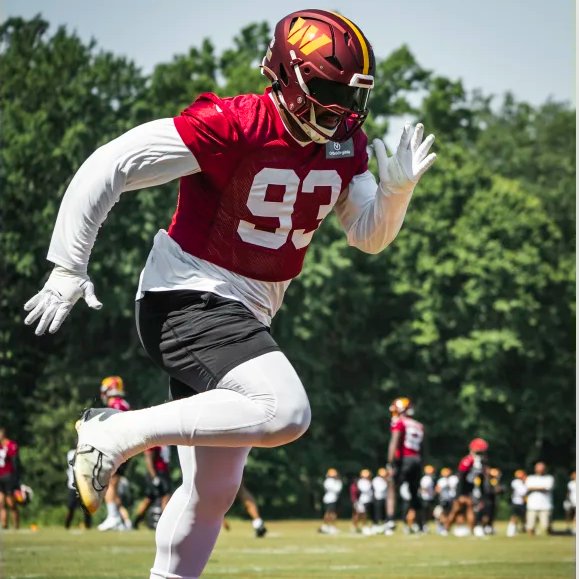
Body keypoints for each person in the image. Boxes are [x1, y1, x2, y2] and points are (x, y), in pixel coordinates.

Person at [22, 9, 436, 578]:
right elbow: (110, 163)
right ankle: (112, 432)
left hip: (242, 313)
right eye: (325, 90)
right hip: (187, 294)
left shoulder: (346, 142)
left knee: (213, 491)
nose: (339, 108)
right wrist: (69, 264)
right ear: (285, 77)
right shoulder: (235, 123)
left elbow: (368, 237)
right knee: (285, 410)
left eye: (349, 95)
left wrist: (395, 193)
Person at [97, 376, 133, 531]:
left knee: (109, 483)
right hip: (125, 448)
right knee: (113, 485)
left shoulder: (116, 404)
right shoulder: (123, 404)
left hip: (118, 448)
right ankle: (119, 520)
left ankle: (113, 517)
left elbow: (113, 429)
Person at [385, 397, 425, 535]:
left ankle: (390, 521)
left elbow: (394, 441)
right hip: (417, 460)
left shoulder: (399, 423)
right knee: (414, 493)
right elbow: (422, 448)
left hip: (404, 459)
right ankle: (421, 525)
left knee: (391, 488)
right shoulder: (418, 425)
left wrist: (390, 462)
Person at [444, 437, 488, 536]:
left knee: (468, 508)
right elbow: (461, 478)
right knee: (457, 510)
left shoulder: (479, 462)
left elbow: (480, 480)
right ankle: (446, 529)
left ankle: (471, 530)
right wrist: (459, 494)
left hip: (469, 489)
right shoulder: (471, 461)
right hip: (462, 489)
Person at [132, 445, 172, 530]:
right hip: (157, 473)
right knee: (166, 497)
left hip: (163, 473)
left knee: (149, 499)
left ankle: (135, 522)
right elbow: (148, 458)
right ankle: (167, 523)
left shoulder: (166, 440)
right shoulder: (155, 440)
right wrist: (154, 477)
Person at [65, 447, 92, 529]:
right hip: (73, 485)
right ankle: (67, 526)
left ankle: (88, 526)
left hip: (84, 485)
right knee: (71, 508)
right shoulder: (71, 453)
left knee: (86, 508)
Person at [525, 461, 554, 536]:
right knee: (530, 526)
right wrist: (541, 488)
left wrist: (534, 488)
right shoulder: (530, 478)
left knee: (546, 526)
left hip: (545, 505)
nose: (540, 470)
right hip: (532, 505)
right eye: (539, 468)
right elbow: (528, 487)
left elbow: (547, 488)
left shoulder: (549, 478)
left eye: (542, 468)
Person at [0, 427, 20, 530]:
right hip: (0, 476)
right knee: (1, 502)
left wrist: (16, 478)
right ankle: (4, 524)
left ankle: (16, 524)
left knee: (10, 502)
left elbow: (15, 461)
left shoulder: (11, 445)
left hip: (8, 476)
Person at [319, 467, 342, 535]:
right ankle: (329, 526)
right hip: (329, 499)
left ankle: (327, 526)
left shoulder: (335, 481)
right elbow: (336, 489)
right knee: (330, 513)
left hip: (333, 499)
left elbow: (338, 489)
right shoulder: (329, 481)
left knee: (331, 513)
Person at [507, 469, 527, 537]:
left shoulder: (524, 482)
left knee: (523, 517)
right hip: (516, 502)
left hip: (523, 502)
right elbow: (522, 492)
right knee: (514, 517)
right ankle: (511, 531)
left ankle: (522, 529)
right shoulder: (516, 482)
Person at [419, 464, 436, 531]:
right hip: (425, 498)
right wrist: (431, 493)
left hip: (428, 498)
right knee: (425, 513)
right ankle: (423, 526)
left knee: (427, 513)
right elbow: (423, 488)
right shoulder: (426, 479)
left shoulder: (428, 478)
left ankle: (424, 525)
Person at [371, 467, 388, 533]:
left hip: (383, 498)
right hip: (378, 498)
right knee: (377, 514)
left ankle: (383, 527)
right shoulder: (376, 480)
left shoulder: (383, 480)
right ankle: (376, 526)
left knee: (383, 514)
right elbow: (380, 489)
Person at [563, 471, 575, 535]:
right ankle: (568, 528)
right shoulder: (571, 483)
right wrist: (567, 500)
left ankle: (575, 528)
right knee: (569, 515)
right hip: (572, 501)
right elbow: (568, 492)